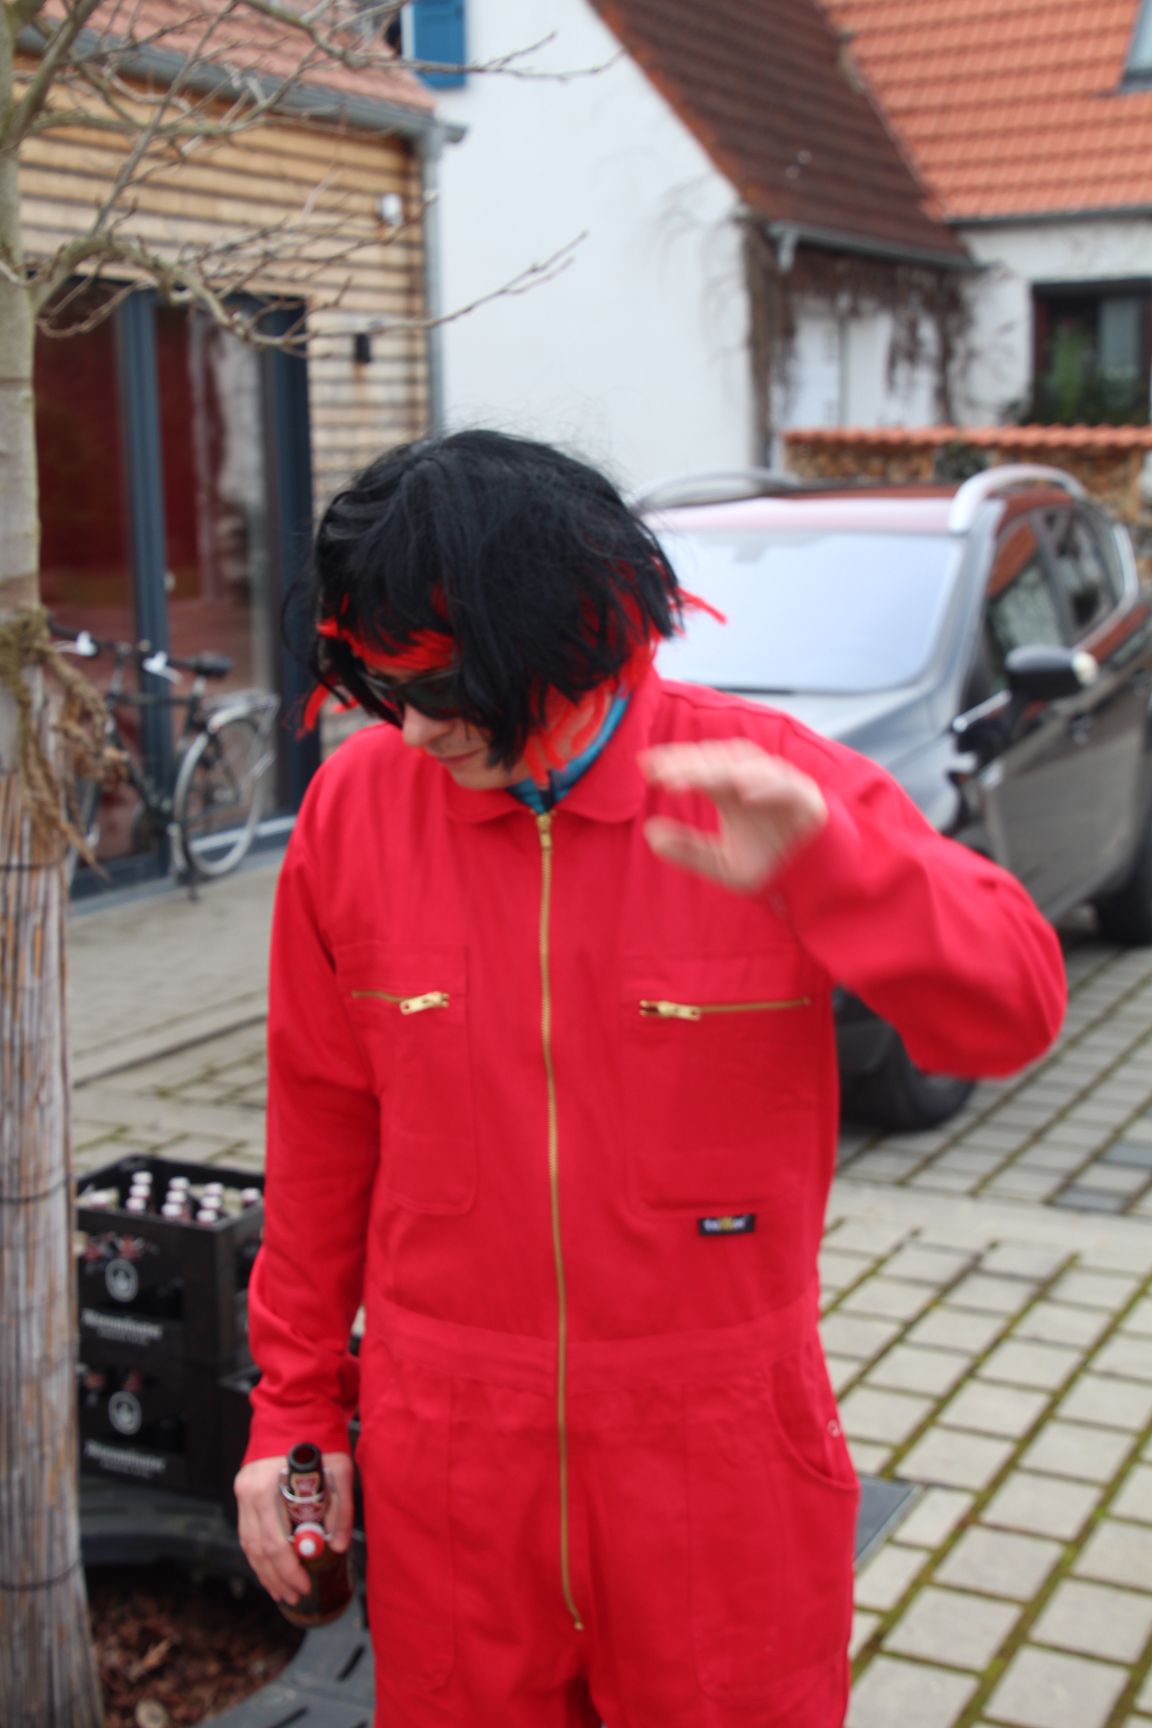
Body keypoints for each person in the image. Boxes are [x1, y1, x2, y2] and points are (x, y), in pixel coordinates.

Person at [235, 430, 1065, 1727]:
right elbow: (318, 1137)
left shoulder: (766, 786)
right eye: (382, 687)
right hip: (451, 1468)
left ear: (567, 636)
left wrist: (839, 874)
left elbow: (1012, 1014)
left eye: (444, 685)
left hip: (718, 1464)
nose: (417, 726)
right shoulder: (353, 816)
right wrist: (294, 1413)